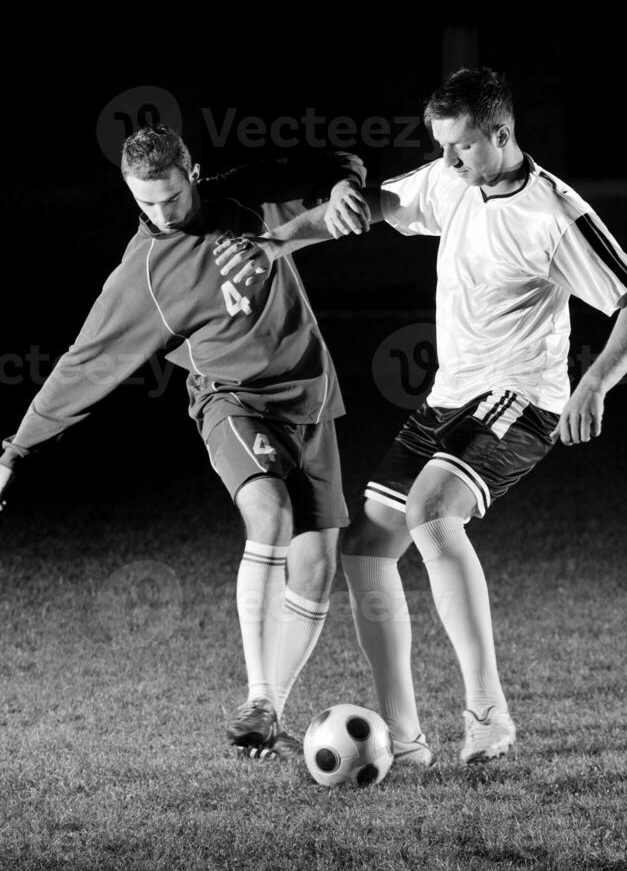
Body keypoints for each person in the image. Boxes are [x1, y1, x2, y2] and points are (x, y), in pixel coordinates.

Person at [324, 67, 627, 765]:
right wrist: (295, 231)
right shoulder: (455, 179)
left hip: (522, 397)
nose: (446, 163)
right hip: (450, 395)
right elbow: (380, 204)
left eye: (460, 148)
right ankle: (405, 738)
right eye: (441, 148)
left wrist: (594, 384)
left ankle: (488, 715)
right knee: (364, 549)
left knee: (430, 512)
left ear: (501, 135)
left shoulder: (554, 212)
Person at [0, 125, 370, 761]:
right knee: (270, 515)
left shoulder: (246, 196)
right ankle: (258, 696)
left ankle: (269, 714)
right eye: (145, 203)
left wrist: (343, 187)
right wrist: (14, 448)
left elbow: (333, 162)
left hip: (310, 393)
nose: (160, 214)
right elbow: (84, 365)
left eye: (170, 199)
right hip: (233, 402)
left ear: (192, 173)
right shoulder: (144, 275)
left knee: (316, 570)